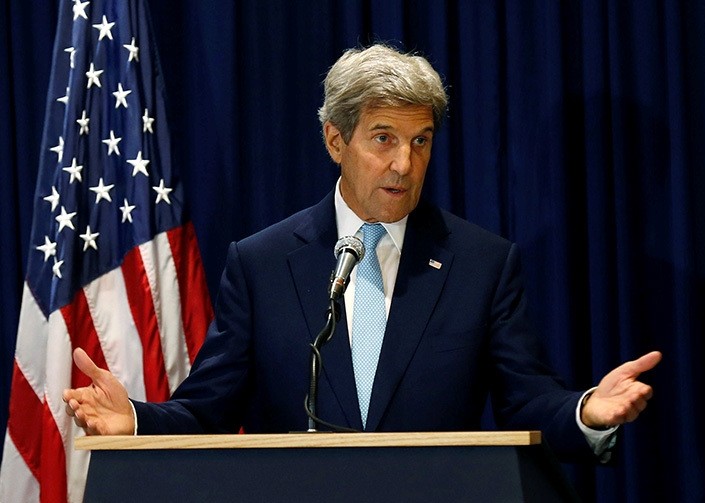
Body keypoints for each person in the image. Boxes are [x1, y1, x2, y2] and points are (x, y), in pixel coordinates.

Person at [63, 43, 661, 463]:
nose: (404, 163)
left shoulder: (481, 263)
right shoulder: (262, 263)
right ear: (335, 140)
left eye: (420, 141)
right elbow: (207, 411)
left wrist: (586, 411)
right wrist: (135, 419)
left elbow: (527, 401)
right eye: (383, 139)